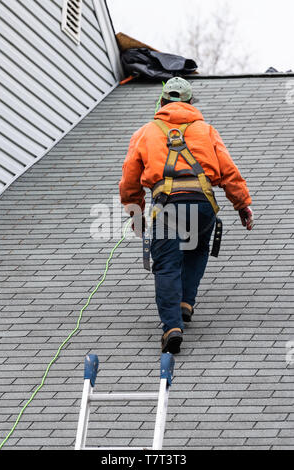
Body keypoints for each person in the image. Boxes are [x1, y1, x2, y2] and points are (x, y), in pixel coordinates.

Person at [119, 77, 253, 354]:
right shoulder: (206, 130)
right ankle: (185, 302)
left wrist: (136, 212)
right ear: (190, 103)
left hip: (167, 205)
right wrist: (242, 205)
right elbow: (228, 171)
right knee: (196, 249)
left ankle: (172, 327)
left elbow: (130, 179)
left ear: (163, 102)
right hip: (202, 204)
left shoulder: (145, 132)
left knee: (167, 263)